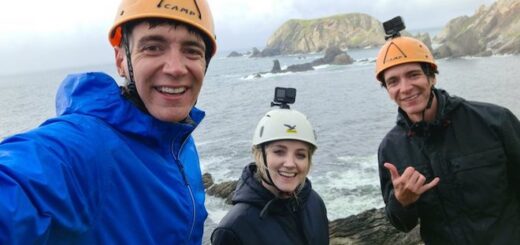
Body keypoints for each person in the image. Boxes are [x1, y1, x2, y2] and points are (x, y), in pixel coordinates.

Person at [0, 0, 217, 243]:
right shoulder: (83, 146)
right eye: (153, 47)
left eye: (192, 50)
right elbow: (19, 183)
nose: (176, 68)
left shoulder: (179, 142)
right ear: (121, 59)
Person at [375, 17, 520, 244]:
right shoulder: (391, 149)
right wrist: (402, 201)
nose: (405, 88)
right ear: (387, 89)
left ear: (431, 76)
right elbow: (402, 223)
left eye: (413, 75)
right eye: (393, 81)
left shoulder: (495, 121)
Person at [210, 92, 329, 245]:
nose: (290, 163)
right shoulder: (234, 228)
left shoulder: (314, 202)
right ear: (259, 155)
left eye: (300, 155)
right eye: (279, 152)